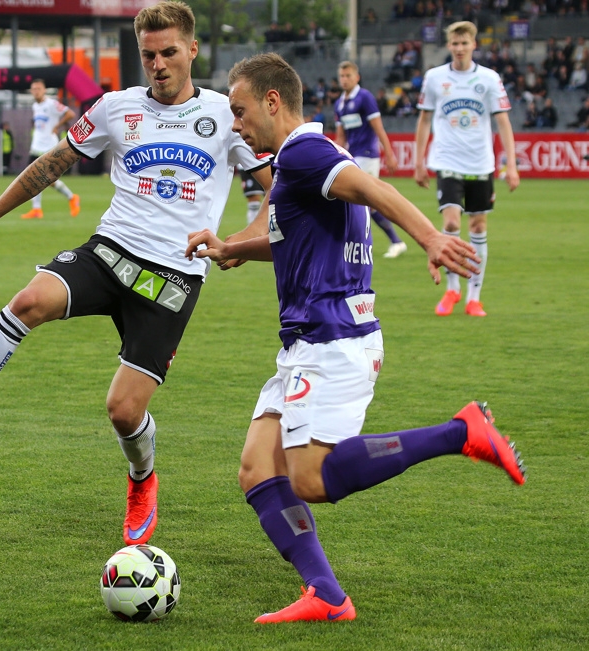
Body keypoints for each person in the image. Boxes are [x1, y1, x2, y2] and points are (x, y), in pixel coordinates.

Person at [0, 1, 270, 548]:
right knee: (28, 301)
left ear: (193, 49)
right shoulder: (115, 107)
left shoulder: (225, 116)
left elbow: (273, 192)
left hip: (172, 280)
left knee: (123, 410)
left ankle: (141, 479)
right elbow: (50, 164)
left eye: (169, 53)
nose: (158, 64)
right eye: (148, 55)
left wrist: (242, 243)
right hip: (109, 252)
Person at [185, 51, 526, 624]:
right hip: (307, 339)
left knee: (310, 478)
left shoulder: (304, 151)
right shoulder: (305, 158)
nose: (236, 124)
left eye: (241, 112)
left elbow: (373, 189)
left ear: (273, 102)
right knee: (257, 469)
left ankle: (460, 431)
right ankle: (327, 595)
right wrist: (229, 247)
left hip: (333, 338)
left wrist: (428, 238)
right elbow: (284, 235)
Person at [415, 21, 520, 318]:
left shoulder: (489, 78)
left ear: (474, 45)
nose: (460, 48)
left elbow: (503, 124)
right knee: (450, 224)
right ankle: (452, 289)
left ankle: (474, 297)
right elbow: (424, 121)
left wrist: (510, 165)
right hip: (447, 161)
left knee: (478, 227)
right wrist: (419, 160)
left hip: (481, 164)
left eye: (465, 43)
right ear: (449, 46)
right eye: (455, 43)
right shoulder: (435, 78)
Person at [334, 61, 407, 258]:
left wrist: (389, 154)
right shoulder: (339, 103)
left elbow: (378, 127)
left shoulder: (364, 97)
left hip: (367, 155)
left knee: (358, 200)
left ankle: (355, 244)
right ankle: (395, 241)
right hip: (352, 156)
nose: (345, 79)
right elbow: (341, 135)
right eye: (342, 76)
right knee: (366, 203)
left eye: (348, 75)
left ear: (357, 77)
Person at [19, 79, 81, 220]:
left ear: (44, 90)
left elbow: (70, 113)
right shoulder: (35, 106)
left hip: (48, 147)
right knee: (33, 178)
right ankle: (36, 209)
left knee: (46, 180)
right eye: (33, 89)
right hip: (36, 146)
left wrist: (57, 126)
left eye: (38, 89)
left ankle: (72, 197)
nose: (36, 91)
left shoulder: (52, 104)